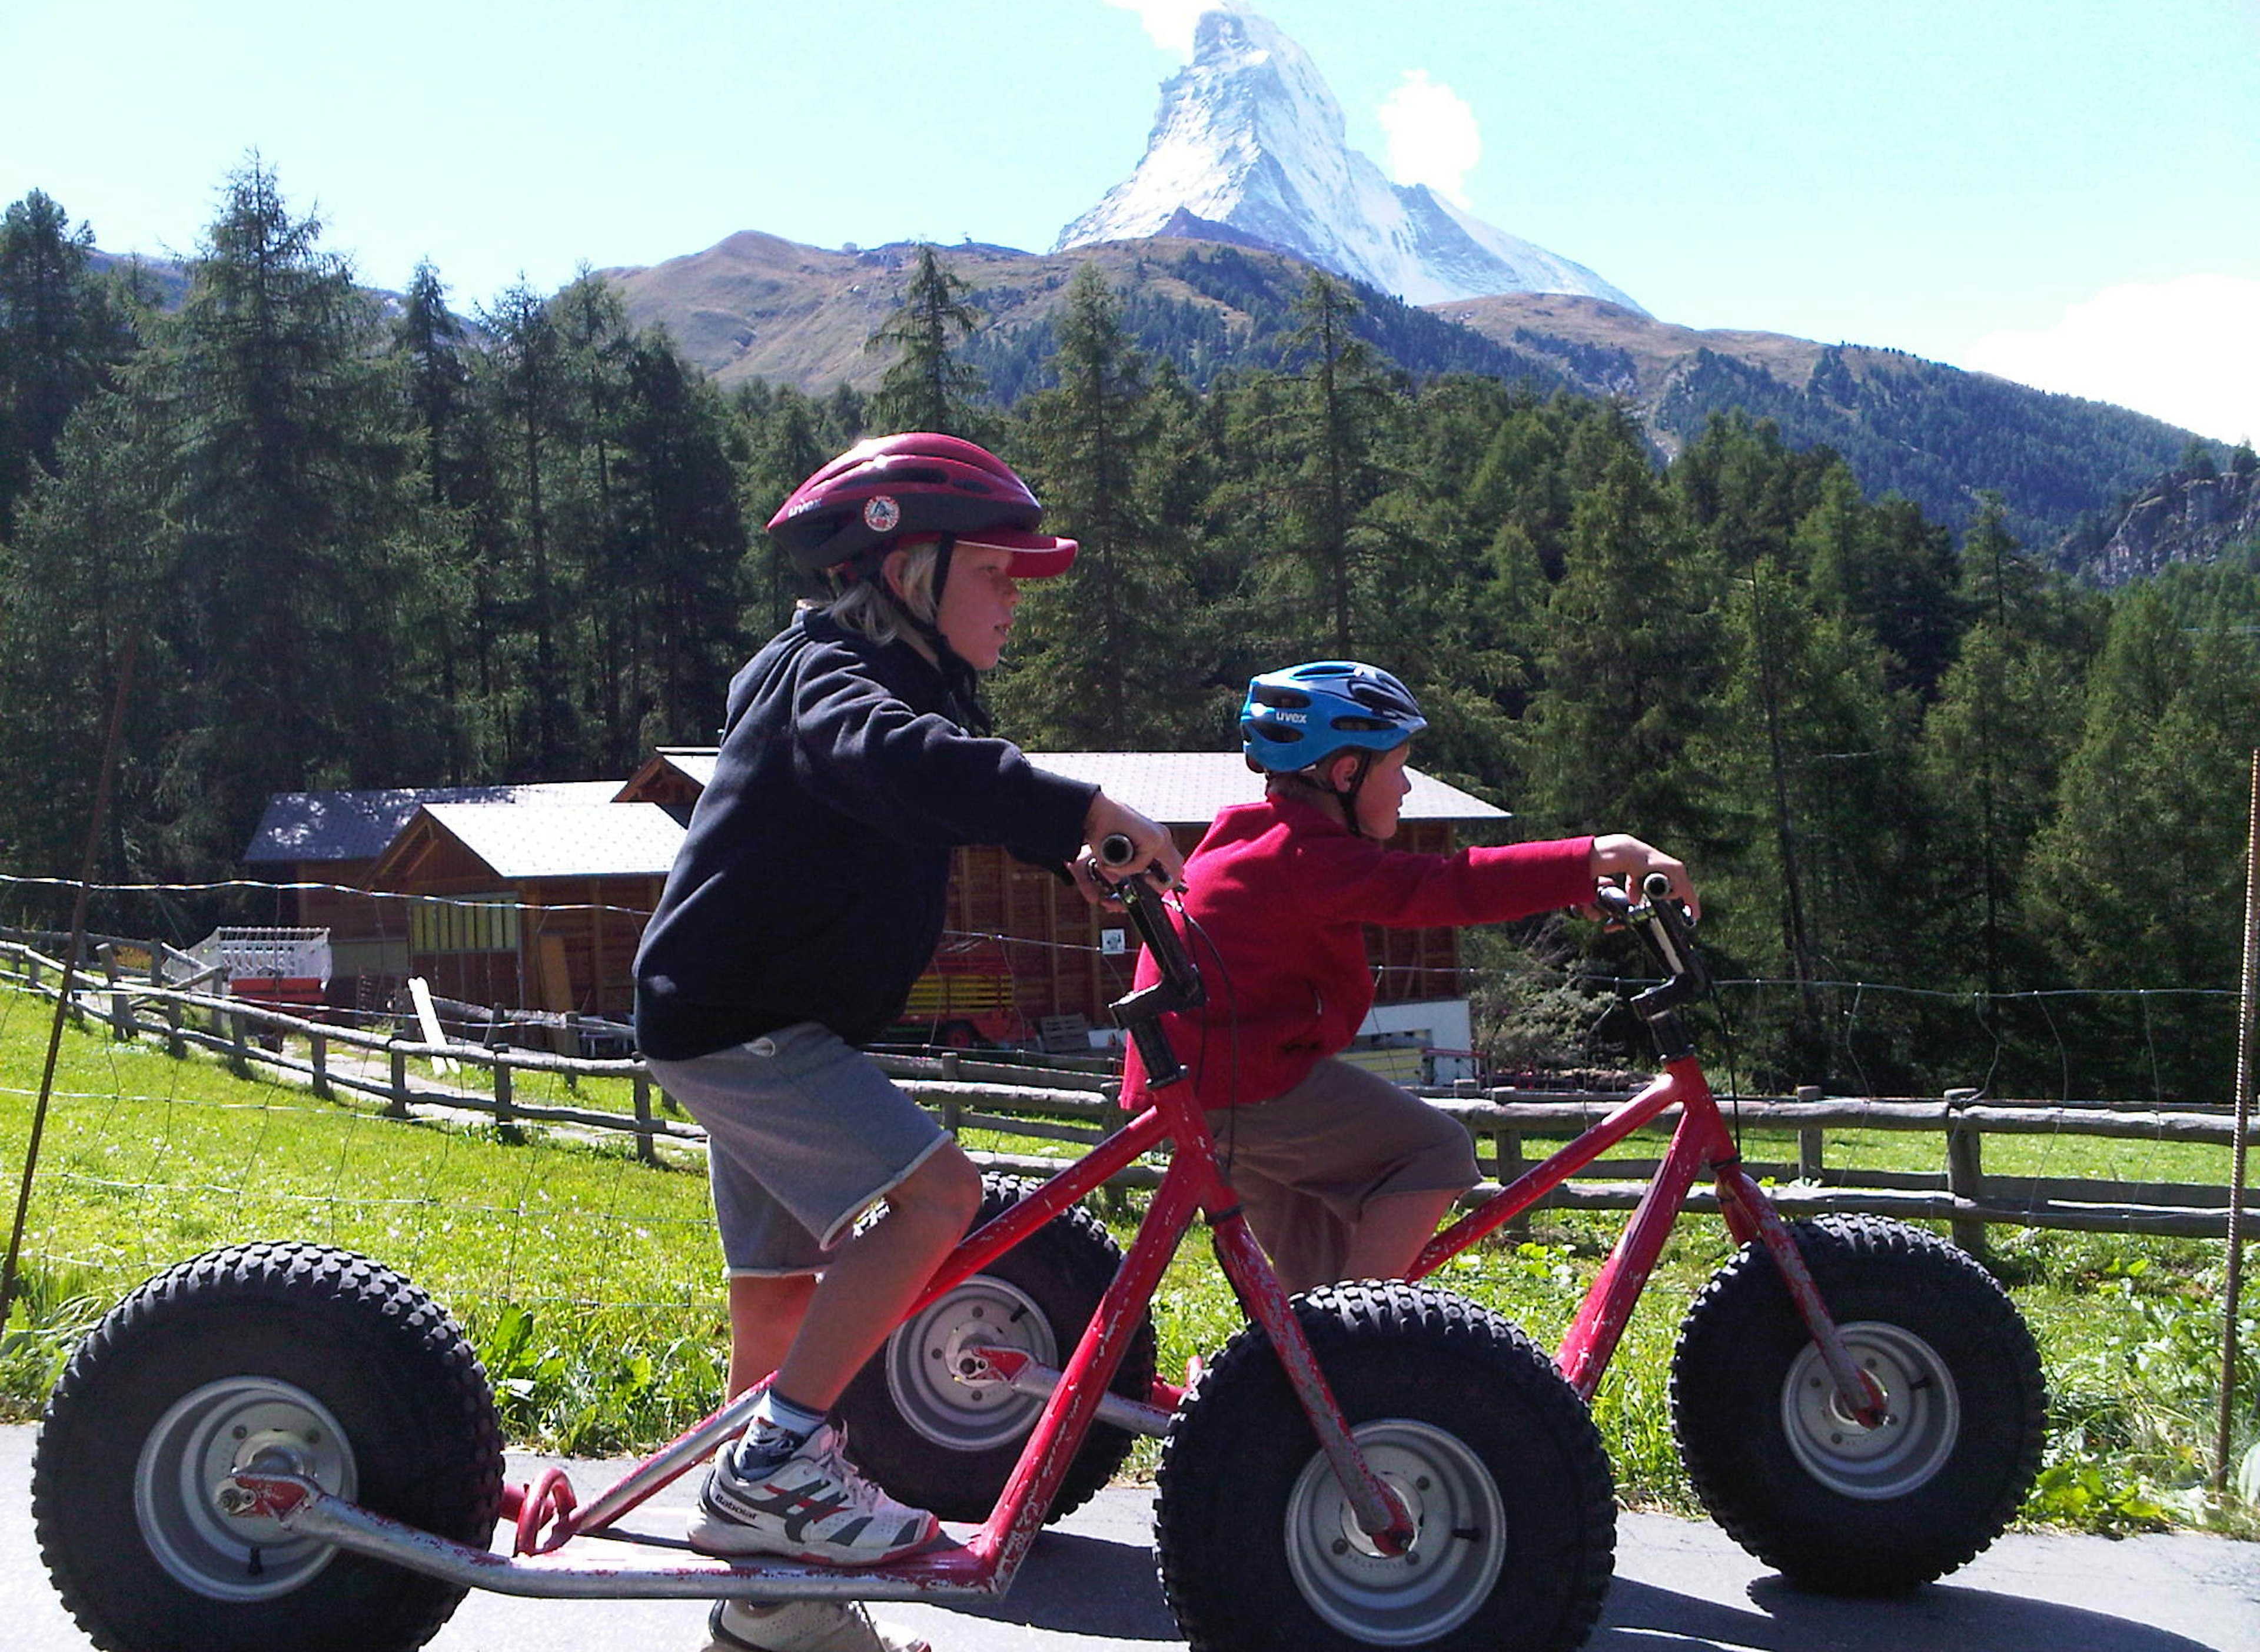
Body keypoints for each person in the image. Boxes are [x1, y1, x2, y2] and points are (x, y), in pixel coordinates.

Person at [633, 433, 1181, 1652]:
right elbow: (895, 758)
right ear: (906, 568)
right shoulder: (823, 673)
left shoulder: (896, 684)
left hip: (756, 1021)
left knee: (779, 1317)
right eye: (999, 574)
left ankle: (769, 1606)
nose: (1016, 603)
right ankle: (776, 1475)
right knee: (943, 1198)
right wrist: (1074, 809)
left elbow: (924, 781)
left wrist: (1063, 853)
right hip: (741, 1024)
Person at [1119, 659, 1696, 1294]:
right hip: (1241, 1084)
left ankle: (1310, 1374)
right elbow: (1447, 888)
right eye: (1398, 767)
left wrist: (1565, 883)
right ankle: (1361, 1341)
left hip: (1212, 1084)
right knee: (1436, 1153)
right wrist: (1594, 855)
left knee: (1316, 1282)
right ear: (1345, 773)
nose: (1406, 789)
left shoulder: (1267, 842)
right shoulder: (1305, 855)